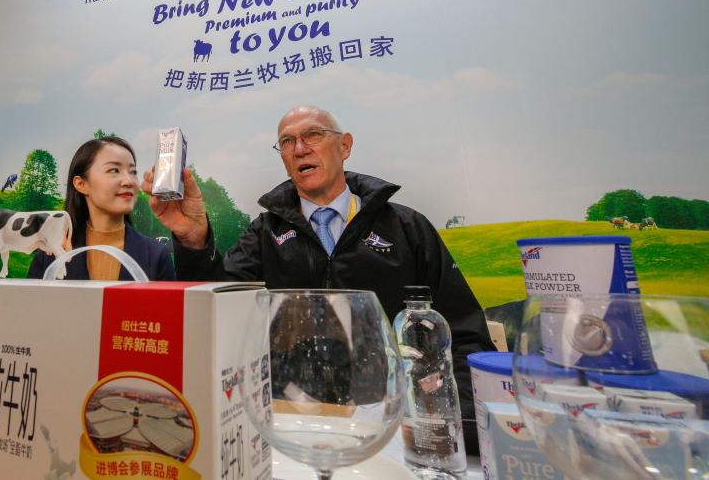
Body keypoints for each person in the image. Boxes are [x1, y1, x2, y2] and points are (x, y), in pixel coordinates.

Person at [141, 105, 494, 450]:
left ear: (344, 146)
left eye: (312, 134)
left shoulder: (405, 227)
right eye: (287, 142)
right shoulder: (266, 233)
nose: (299, 149)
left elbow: (463, 334)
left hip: (393, 424)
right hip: (291, 420)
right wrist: (193, 239)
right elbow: (217, 306)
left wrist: (453, 426)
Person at [29, 136, 175, 281]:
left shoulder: (156, 255)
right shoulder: (50, 254)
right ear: (81, 184)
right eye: (114, 170)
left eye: (133, 172)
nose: (129, 181)